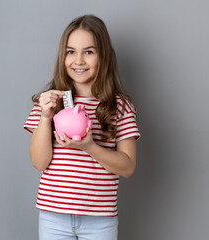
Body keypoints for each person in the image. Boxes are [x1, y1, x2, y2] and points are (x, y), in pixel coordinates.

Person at [23, 14, 141, 240]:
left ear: (103, 56)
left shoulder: (120, 106)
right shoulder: (49, 102)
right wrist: (45, 117)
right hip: (53, 216)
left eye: (89, 51)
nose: (78, 61)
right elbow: (39, 162)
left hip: (99, 220)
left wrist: (90, 146)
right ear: (63, 56)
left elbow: (127, 167)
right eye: (71, 52)